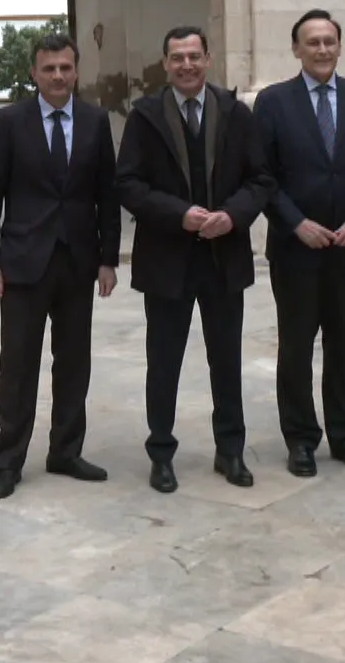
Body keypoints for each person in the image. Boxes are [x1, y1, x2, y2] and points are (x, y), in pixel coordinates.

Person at [117, 26, 276, 492]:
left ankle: (230, 450)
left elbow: (261, 178)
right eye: (176, 57)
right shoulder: (145, 116)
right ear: (165, 63)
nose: (186, 65)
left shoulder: (235, 111)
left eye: (194, 56)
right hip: (166, 259)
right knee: (162, 361)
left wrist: (234, 215)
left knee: (226, 360)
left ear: (208, 58)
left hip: (223, 258)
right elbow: (127, 183)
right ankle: (161, 452)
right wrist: (178, 214)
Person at [0, 32, 121, 500]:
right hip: (22, 261)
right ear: (34, 73)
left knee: (73, 361)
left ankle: (65, 449)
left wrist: (108, 259)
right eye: (48, 69)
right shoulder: (10, 121)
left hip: (78, 261)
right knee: (18, 363)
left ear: (76, 70)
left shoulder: (96, 121)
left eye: (65, 67)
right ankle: (9, 460)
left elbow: (107, 194)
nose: (58, 76)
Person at [254, 9, 345, 477]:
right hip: (296, 249)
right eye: (312, 42)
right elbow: (263, 177)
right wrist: (296, 223)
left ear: (339, 45)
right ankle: (300, 438)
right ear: (296, 49)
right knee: (295, 345)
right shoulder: (273, 102)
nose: (322, 49)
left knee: (344, 343)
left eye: (329, 41)